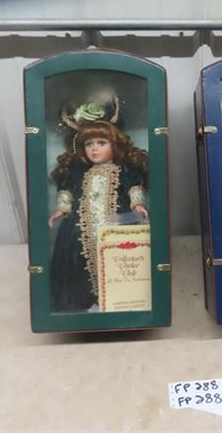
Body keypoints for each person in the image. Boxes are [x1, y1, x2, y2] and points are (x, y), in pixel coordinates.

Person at [48, 117, 148, 312]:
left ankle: (119, 300)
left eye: (101, 143)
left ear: (115, 146)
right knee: (78, 261)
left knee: (118, 260)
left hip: (116, 223)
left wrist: (138, 205)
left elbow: (134, 189)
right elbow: (67, 192)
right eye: (89, 144)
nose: (94, 149)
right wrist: (61, 208)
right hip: (81, 227)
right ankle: (85, 301)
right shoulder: (78, 172)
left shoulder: (124, 171)